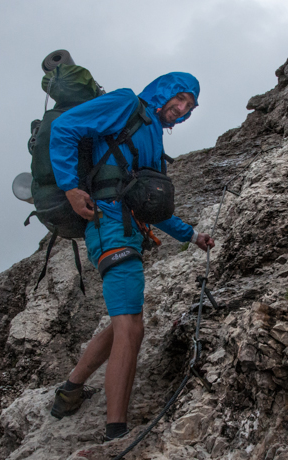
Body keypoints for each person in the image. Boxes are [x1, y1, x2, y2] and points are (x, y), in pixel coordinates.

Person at [47, 72, 215, 440]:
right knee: (131, 326)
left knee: (123, 319)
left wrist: (192, 236)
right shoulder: (127, 103)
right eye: (181, 98)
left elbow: (151, 205)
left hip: (129, 230)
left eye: (189, 106)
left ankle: (71, 390)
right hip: (109, 224)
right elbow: (64, 127)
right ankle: (116, 430)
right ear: (165, 91)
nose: (182, 108)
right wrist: (71, 188)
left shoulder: (153, 138)